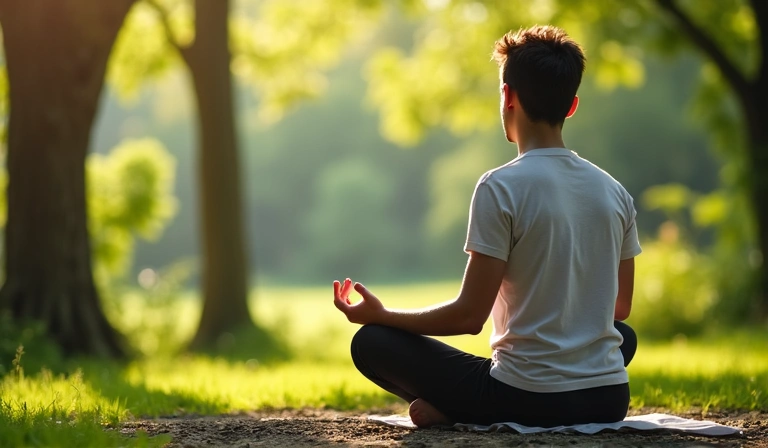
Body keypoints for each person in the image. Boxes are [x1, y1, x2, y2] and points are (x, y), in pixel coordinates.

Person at [332, 25, 641, 428]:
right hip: (607, 398)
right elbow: (619, 308)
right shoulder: (614, 191)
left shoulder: (501, 186)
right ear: (572, 106)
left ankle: (456, 410)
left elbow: (468, 317)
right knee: (620, 335)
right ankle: (457, 407)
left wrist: (383, 315)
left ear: (507, 96)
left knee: (372, 342)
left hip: (526, 399)